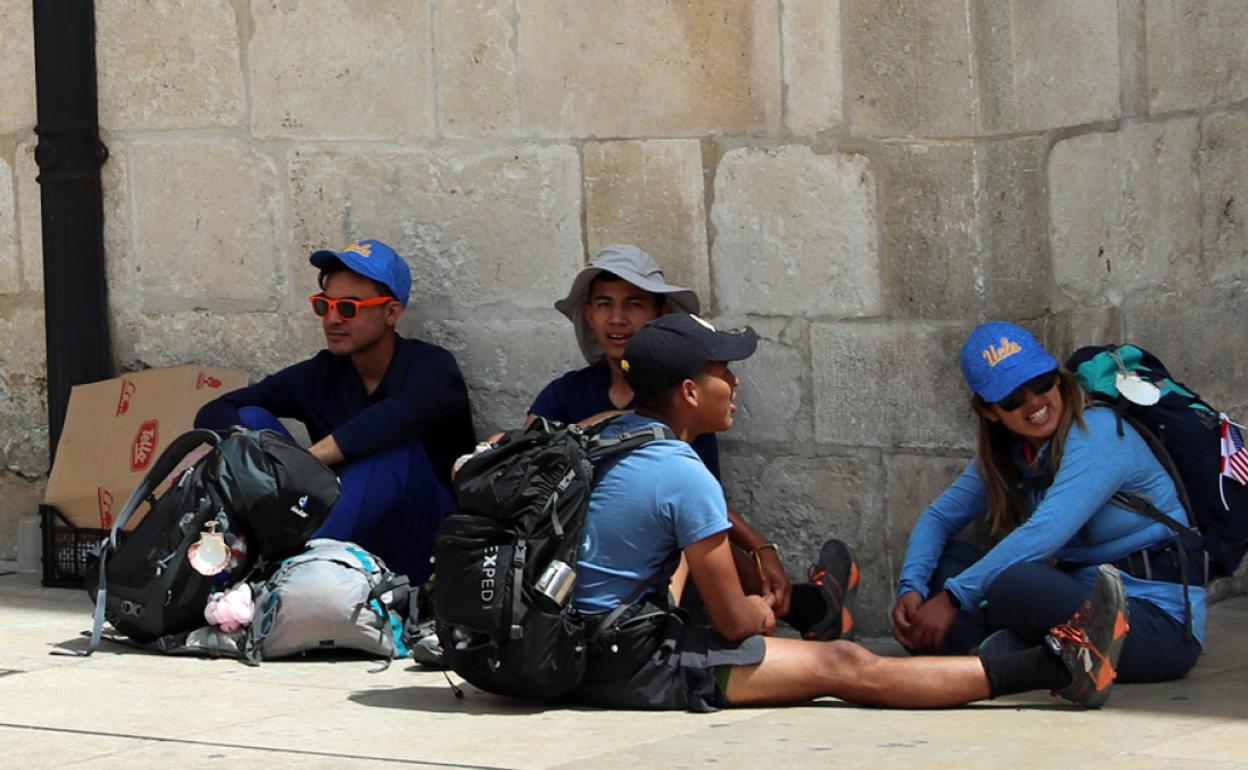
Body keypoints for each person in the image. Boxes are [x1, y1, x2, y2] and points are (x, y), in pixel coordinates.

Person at [572, 314, 1130, 711]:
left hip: (583, 640)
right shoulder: (682, 470)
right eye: (725, 372)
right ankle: (1056, 668)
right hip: (627, 663)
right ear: (691, 392)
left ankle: (820, 605)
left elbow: (695, 523)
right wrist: (761, 613)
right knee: (846, 666)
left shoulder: (607, 432)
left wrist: (759, 553)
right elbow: (738, 624)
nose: (737, 382)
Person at [529, 245, 855, 641]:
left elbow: (697, 497)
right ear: (588, 314)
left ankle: (808, 607)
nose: (617, 318)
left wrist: (760, 547)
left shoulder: (686, 404)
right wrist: (604, 427)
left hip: (672, 553)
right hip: (584, 564)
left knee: (691, 531)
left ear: (660, 316)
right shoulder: (563, 395)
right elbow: (523, 462)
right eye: (604, 305)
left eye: (633, 304)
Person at [892, 321, 1204, 684]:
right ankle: (1029, 657)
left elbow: (1045, 535)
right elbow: (939, 518)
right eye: (1013, 399)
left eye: (1041, 383)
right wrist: (912, 587)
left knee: (1014, 584)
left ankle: (1015, 656)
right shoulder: (1012, 454)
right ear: (990, 411)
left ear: (1057, 377)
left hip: (1156, 626)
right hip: (1073, 605)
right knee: (945, 565)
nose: (1035, 403)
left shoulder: (1099, 432)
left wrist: (954, 599)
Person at [195, 239, 476, 582]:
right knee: (252, 422)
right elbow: (217, 410)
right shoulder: (323, 373)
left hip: (419, 541)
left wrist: (302, 465)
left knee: (391, 453)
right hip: (334, 527)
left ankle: (278, 577)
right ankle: (270, 568)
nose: (332, 319)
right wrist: (281, 471)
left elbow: (390, 420)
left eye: (348, 308)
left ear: (391, 313)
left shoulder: (432, 368)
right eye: (323, 306)